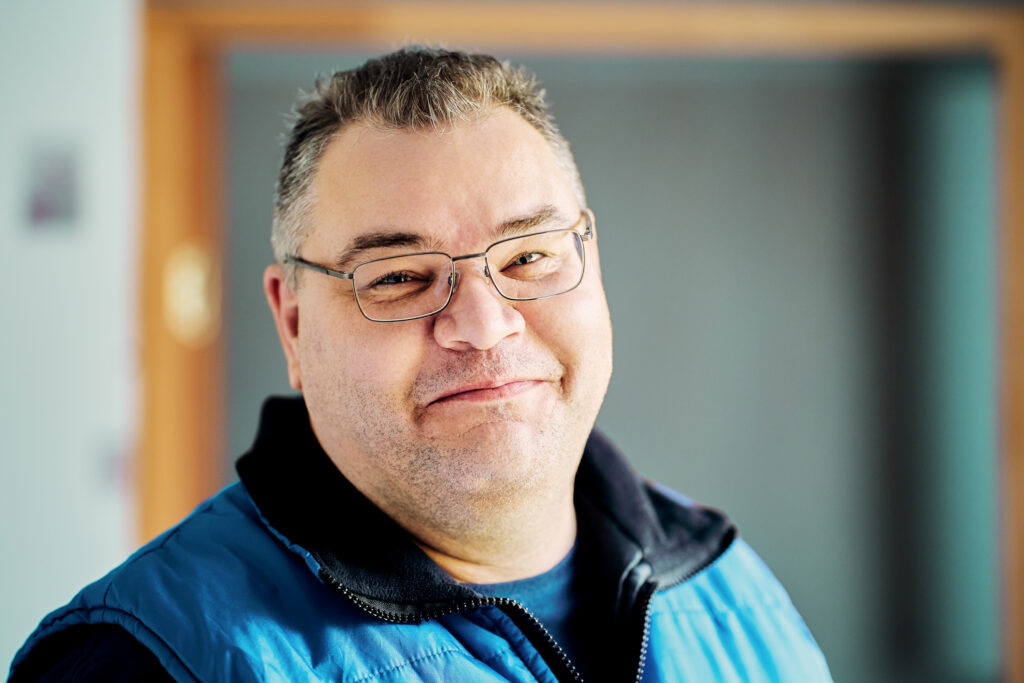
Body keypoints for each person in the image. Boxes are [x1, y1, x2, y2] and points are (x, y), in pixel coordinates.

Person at [9, 47, 832, 682]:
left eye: (530, 257)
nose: (482, 324)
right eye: (400, 277)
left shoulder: (729, 582)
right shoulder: (150, 658)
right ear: (293, 325)